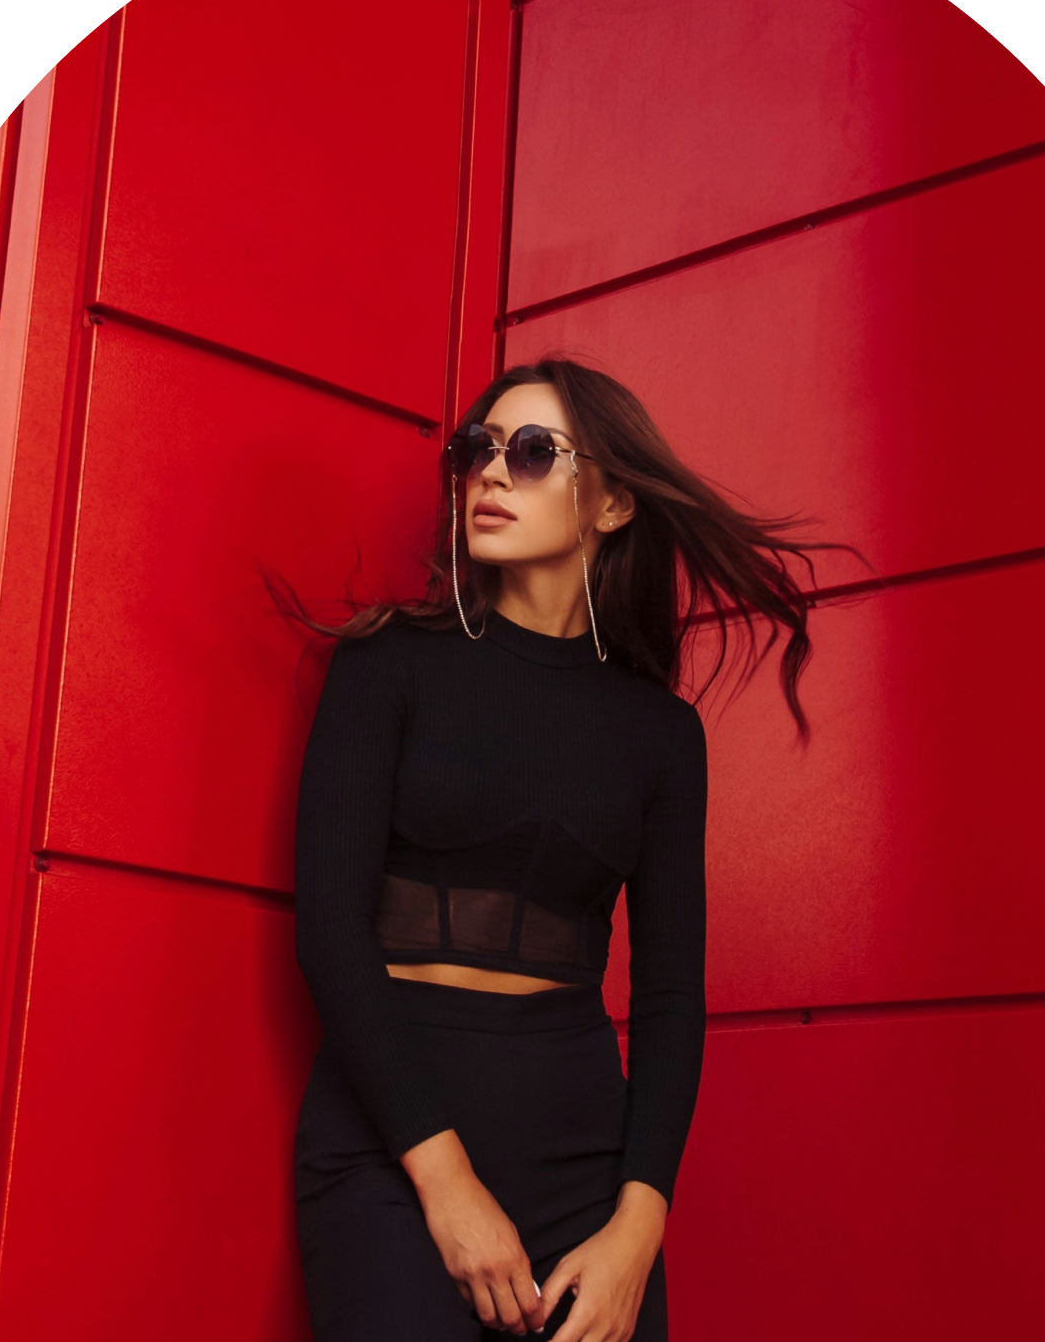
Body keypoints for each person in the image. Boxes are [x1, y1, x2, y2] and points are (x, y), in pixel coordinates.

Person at [271, 354, 835, 1341]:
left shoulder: (657, 735)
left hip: (584, 1166)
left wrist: (638, 1224)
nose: (489, 472)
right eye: (476, 449)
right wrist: (445, 1186)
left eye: (531, 452)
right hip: (393, 1148)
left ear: (612, 504)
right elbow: (330, 935)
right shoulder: (385, 666)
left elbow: (664, 995)